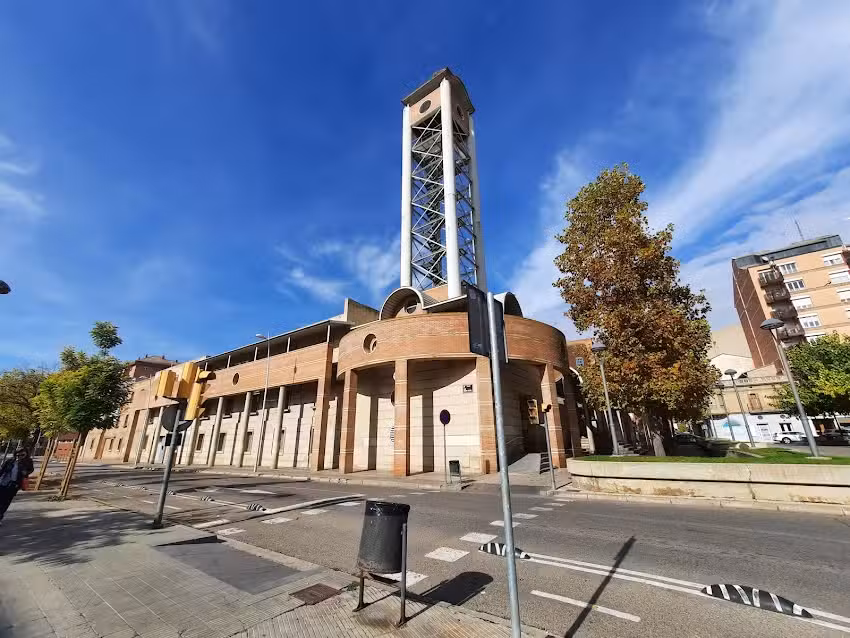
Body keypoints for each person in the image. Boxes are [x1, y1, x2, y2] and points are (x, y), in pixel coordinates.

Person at [0, 447, 34, 521]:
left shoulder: (28, 462)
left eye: (22, 455)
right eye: (18, 455)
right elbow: (2, 470)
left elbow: (31, 469)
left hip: (14, 485)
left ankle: (0, 516)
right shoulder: (10, 461)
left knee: (6, 502)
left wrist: (26, 472)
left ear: (26, 454)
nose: (19, 457)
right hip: (3, 482)